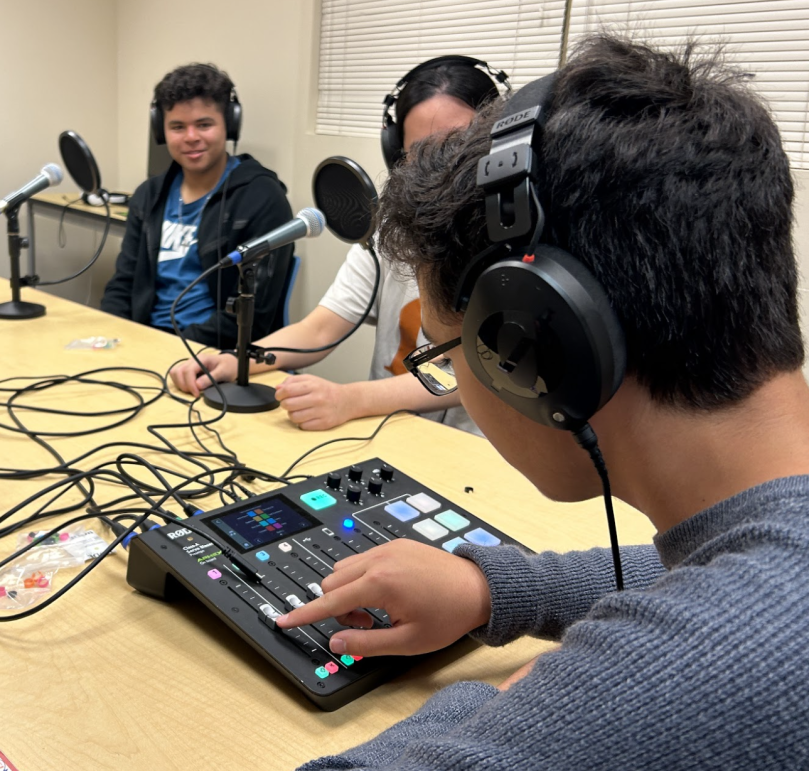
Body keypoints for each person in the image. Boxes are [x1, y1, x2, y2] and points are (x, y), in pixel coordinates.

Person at [278, 34, 809, 769]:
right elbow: (716, 559)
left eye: (442, 354)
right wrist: (493, 586)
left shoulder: (677, 683)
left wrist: (509, 707)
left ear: (536, 337)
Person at [170, 57, 506, 432]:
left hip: (476, 451)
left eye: (458, 145)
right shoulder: (388, 235)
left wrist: (352, 399)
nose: (444, 169)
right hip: (385, 431)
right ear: (397, 156)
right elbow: (320, 330)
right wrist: (238, 360)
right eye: (423, 152)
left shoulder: (517, 245)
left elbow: (475, 371)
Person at [100, 63, 293, 348]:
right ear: (161, 131)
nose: (191, 137)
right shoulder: (149, 195)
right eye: (178, 127)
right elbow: (124, 283)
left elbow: (253, 315)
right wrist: (114, 336)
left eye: (204, 124)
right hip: (144, 341)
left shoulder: (262, 198)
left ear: (229, 124)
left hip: (215, 353)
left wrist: (168, 349)